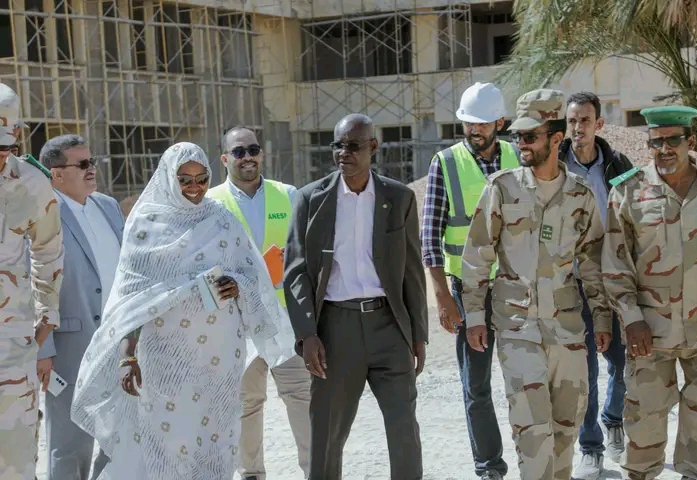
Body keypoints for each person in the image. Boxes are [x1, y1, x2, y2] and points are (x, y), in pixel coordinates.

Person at [70, 142, 296, 480]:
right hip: (165, 359)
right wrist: (127, 355)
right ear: (168, 177)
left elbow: (252, 276)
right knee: (167, 443)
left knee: (215, 441)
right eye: (185, 180)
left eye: (201, 179)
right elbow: (131, 300)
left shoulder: (222, 219)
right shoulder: (146, 223)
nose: (194, 187)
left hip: (219, 358)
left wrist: (237, 286)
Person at [459, 89, 612, 480]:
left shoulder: (579, 195)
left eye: (530, 136)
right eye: (518, 137)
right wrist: (474, 316)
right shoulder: (502, 188)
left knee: (565, 430)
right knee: (532, 434)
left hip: (567, 329)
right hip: (517, 329)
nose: (521, 144)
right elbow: (477, 256)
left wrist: (603, 318)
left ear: (556, 137)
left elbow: (593, 262)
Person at [283, 113, 428, 480]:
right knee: (327, 432)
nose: (343, 153)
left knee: (404, 427)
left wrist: (418, 334)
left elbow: (412, 270)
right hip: (335, 330)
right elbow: (295, 272)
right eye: (337, 145)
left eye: (353, 146)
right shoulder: (310, 199)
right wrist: (307, 334)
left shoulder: (399, 197)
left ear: (373, 147)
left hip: (389, 327)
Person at [602, 106, 697, 480]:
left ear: (691, 142)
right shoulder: (628, 191)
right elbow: (615, 264)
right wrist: (631, 318)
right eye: (656, 141)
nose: (664, 149)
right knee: (644, 422)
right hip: (650, 332)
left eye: (673, 140)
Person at [421, 81, 519, 479]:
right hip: (468, 290)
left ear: (500, 123)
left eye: (482, 124)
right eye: (468, 123)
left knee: (525, 377)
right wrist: (442, 297)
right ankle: (489, 466)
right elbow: (429, 238)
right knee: (476, 383)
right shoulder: (445, 163)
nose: (474, 130)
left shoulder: (518, 156)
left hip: (515, 287)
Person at [207, 126, 310, 480]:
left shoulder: (288, 195)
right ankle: (251, 473)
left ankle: (316, 471)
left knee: (301, 396)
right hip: (236, 325)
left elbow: (305, 254)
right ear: (224, 159)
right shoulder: (211, 204)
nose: (247, 157)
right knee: (246, 404)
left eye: (253, 149)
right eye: (238, 152)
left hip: (285, 320)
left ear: (262, 154)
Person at [37, 135, 124, 480]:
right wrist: (43, 349)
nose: (92, 170)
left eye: (92, 162)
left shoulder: (108, 206)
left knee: (119, 440)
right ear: (56, 174)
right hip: (70, 348)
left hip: (119, 345)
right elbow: (33, 284)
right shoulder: (42, 214)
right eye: (82, 164)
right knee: (70, 445)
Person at [559, 92, 634, 479]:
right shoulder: (554, 165)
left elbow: (636, 216)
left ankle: (613, 418)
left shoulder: (619, 165)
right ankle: (591, 446)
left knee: (624, 362)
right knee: (584, 370)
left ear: (599, 124)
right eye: (572, 121)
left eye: (585, 120)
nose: (578, 128)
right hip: (573, 284)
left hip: (614, 279)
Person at [0, 83, 65, 480]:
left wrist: (47, 317)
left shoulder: (31, 182)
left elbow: (49, 249)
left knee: (16, 458)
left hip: (11, 341)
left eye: (4, 147)